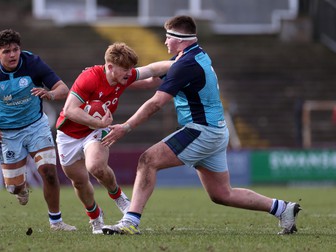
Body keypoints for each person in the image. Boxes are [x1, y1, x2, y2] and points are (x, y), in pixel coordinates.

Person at [101, 15, 302, 235]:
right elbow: (152, 78)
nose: (165, 41)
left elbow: (156, 103)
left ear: (180, 39)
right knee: (222, 194)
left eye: (168, 37)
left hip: (201, 130)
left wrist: (126, 127)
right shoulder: (193, 56)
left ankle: (130, 221)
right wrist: (115, 82)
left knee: (147, 161)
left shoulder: (184, 64)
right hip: (214, 131)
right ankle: (283, 209)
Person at [55, 42, 173, 234]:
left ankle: (118, 196)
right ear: (110, 67)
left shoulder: (125, 76)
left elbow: (152, 69)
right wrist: (99, 123)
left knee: (95, 167)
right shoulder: (89, 78)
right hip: (69, 134)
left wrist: (181, 63)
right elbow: (69, 110)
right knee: (78, 181)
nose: (129, 73)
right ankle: (95, 216)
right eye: (126, 69)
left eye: (131, 69)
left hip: (94, 132)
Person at [0, 29, 76, 232]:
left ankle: (56, 222)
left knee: (48, 172)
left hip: (36, 126)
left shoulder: (33, 63)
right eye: (7, 51)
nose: (12, 55)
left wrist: (50, 94)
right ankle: (21, 189)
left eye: (15, 50)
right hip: (8, 133)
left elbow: (64, 89)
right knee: (13, 187)